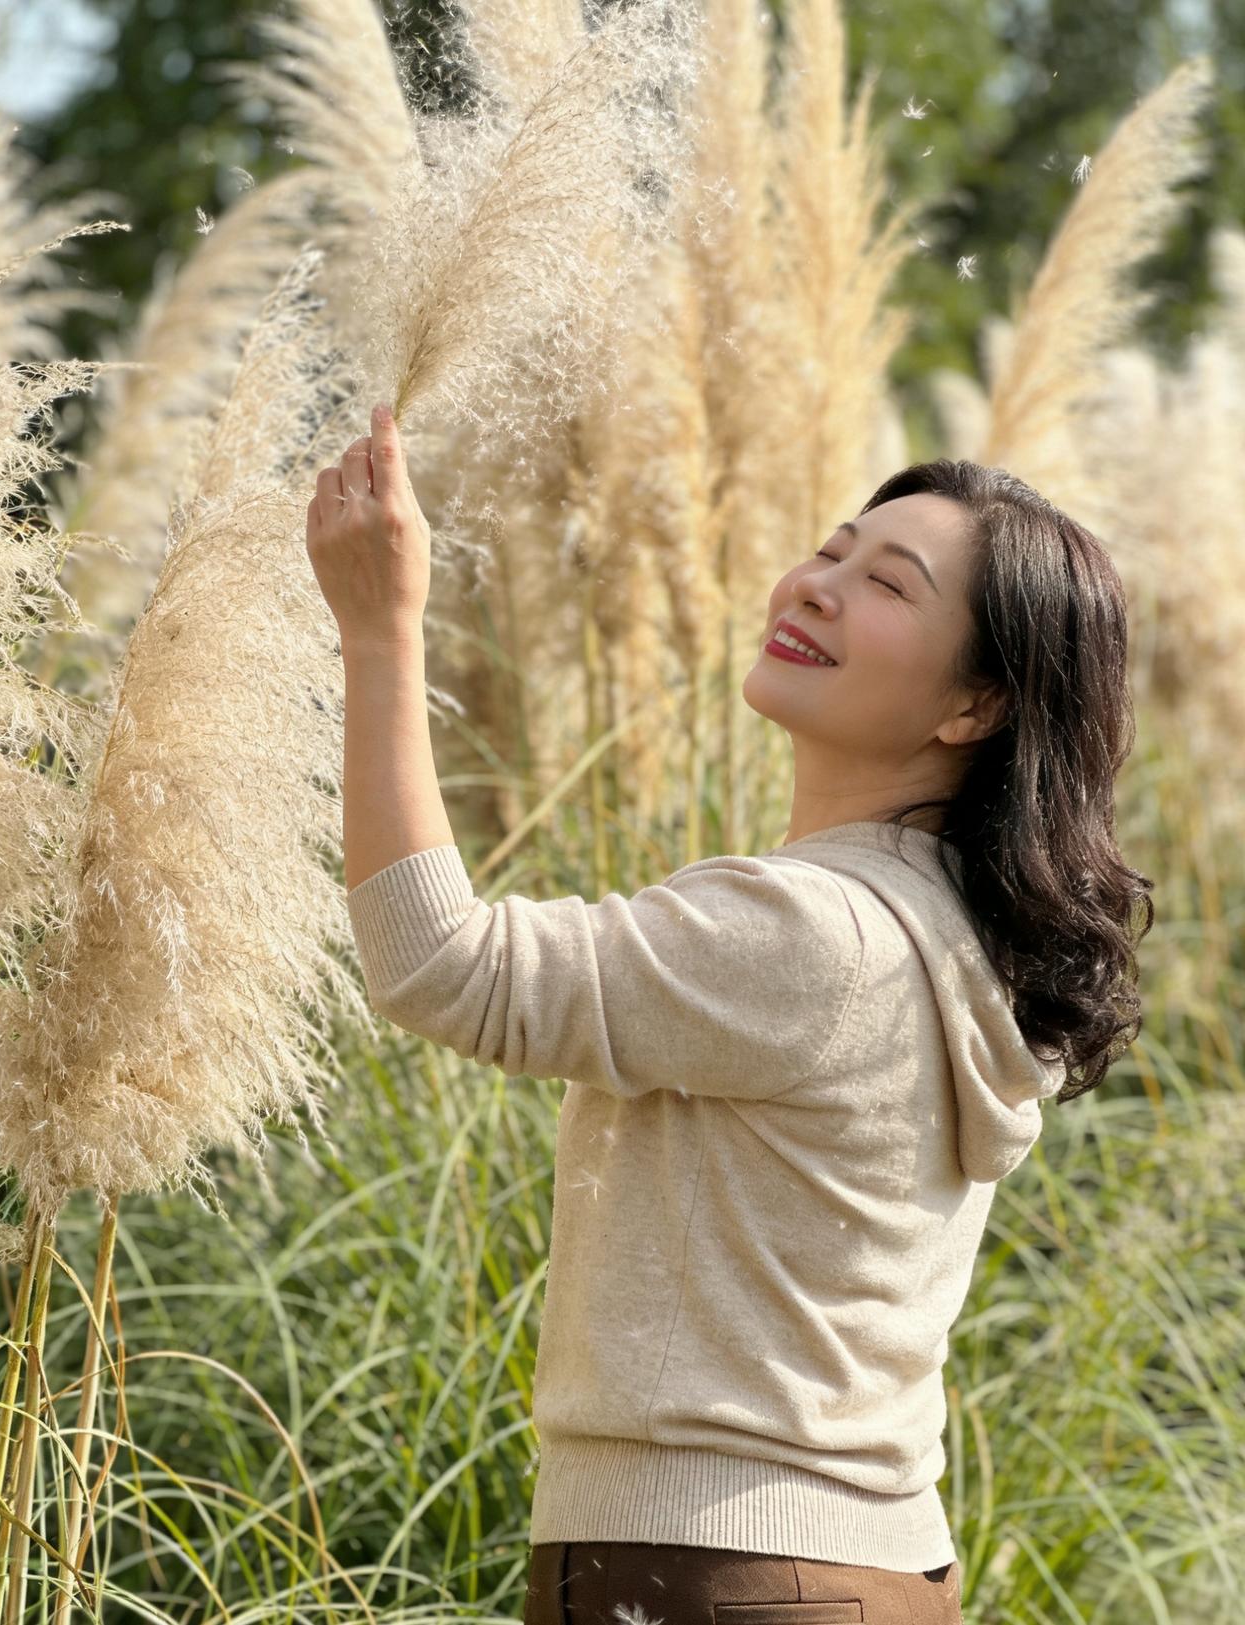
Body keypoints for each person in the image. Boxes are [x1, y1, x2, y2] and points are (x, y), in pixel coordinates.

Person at [342, 457, 1154, 1625]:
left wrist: (380, 636)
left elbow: (444, 966)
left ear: (972, 705)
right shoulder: (948, 931)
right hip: (862, 1574)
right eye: (829, 551)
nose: (817, 586)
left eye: (887, 582)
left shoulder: (816, 932)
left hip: (708, 1571)